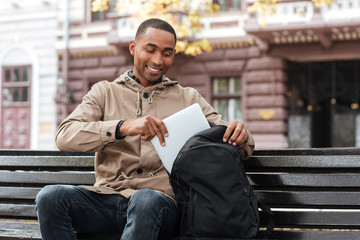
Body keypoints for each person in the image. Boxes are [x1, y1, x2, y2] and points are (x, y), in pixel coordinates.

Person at [35, 18, 255, 240]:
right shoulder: (104, 92)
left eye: (167, 53)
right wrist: (123, 127)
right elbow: (64, 136)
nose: (158, 60)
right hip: (107, 199)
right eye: (150, 50)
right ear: (133, 47)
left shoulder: (188, 98)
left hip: (161, 206)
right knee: (50, 197)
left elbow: (233, 140)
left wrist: (240, 135)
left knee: (146, 200)